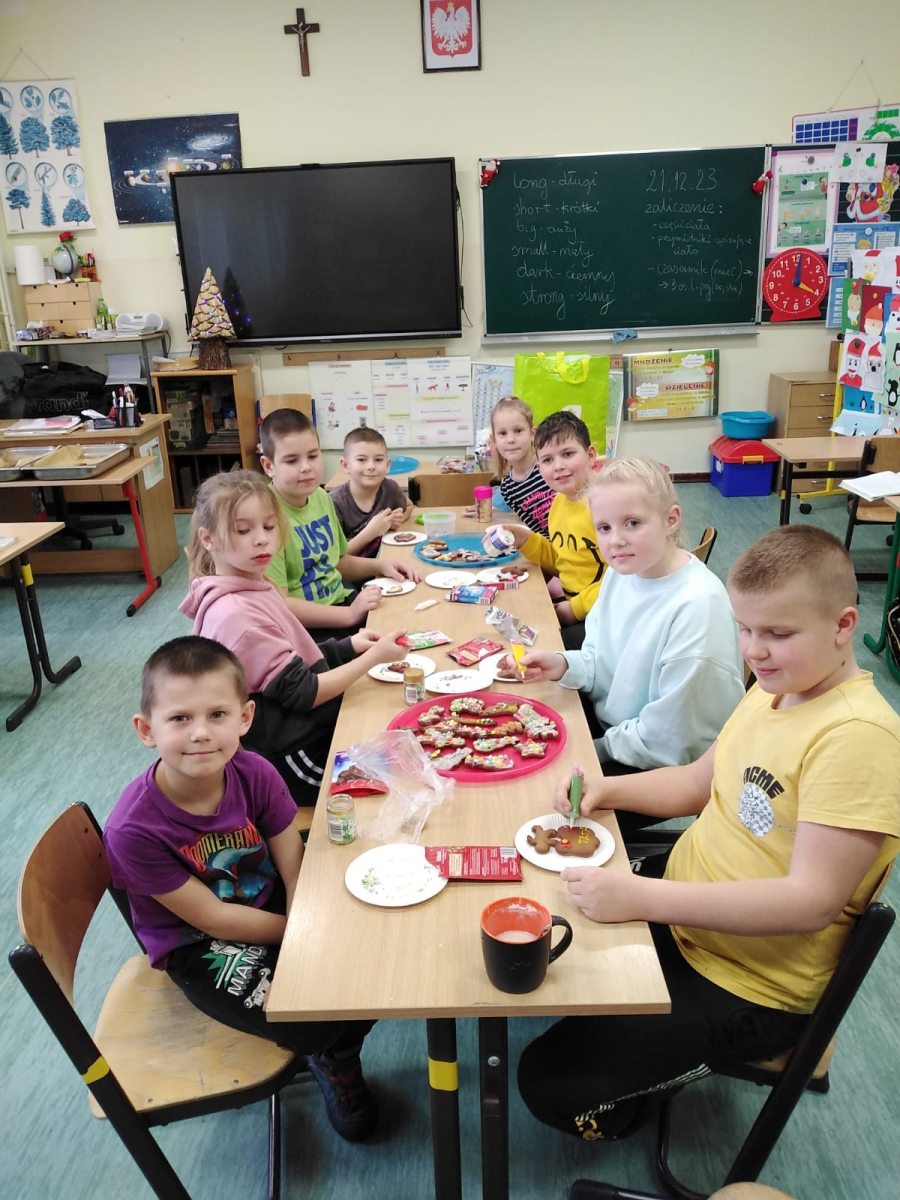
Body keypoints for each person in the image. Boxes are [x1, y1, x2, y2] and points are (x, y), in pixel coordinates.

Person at [518, 526, 900, 1142]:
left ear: (843, 624)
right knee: (542, 936)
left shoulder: (858, 738)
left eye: (778, 634)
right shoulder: (777, 690)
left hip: (749, 981)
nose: (755, 651)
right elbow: (698, 783)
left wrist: (643, 898)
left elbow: (810, 902)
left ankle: (641, 1094)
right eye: (745, 629)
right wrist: (607, 790)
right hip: (684, 904)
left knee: (545, 1083)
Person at [104, 636, 381, 1142]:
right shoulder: (132, 829)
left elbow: (291, 859)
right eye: (179, 718)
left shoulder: (256, 772)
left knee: (373, 963)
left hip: (269, 898)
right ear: (146, 729)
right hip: (198, 943)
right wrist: (302, 938)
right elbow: (213, 919)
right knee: (314, 1017)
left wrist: (309, 924)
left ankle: (336, 1049)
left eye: (217, 715)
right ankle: (331, 1055)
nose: (201, 733)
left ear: (245, 718)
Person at [509, 459, 744, 832]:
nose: (615, 540)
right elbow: (598, 656)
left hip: (661, 767)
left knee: (529, 801)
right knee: (516, 742)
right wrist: (564, 664)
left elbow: (670, 740)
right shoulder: (624, 572)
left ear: (671, 520)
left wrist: (590, 748)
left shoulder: (697, 606)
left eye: (632, 523)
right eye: (604, 527)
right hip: (620, 733)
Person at [180, 470, 405, 804]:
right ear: (208, 539)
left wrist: (348, 647)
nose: (261, 539)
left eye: (269, 527)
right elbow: (305, 692)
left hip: (303, 729)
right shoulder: (238, 614)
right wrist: (373, 658)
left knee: (399, 727)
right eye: (243, 530)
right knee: (397, 775)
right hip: (291, 758)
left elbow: (294, 657)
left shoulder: (253, 584)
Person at [259, 407, 419, 639]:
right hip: (308, 629)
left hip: (341, 602)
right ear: (268, 466)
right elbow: (281, 604)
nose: (306, 467)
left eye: (313, 456)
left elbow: (337, 561)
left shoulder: (321, 497)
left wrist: (382, 566)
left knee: (411, 616)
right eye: (292, 460)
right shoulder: (265, 518)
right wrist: (350, 615)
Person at [497, 410, 606, 645]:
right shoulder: (559, 502)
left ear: (591, 455)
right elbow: (561, 560)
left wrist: (573, 609)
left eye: (567, 454)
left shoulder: (605, 506)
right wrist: (525, 540)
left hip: (605, 613)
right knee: (511, 622)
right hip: (576, 605)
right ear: (539, 466)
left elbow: (625, 579)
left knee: (540, 644)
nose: (558, 466)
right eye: (548, 460)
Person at [331, 426, 413, 557]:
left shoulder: (390, 488)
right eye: (361, 460)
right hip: (353, 569)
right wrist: (372, 531)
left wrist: (395, 521)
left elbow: (409, 506)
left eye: (378, 460)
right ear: (346, 465)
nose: (371, 466)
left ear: (387, 465)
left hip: (385, 560)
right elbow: (334, 557)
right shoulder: (334, 503)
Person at [489, 395, 555, 536]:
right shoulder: (507, 488)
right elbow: (534, 532)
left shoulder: (548, 465)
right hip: (546, 547)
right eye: (502, 433)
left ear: (532, 434)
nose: (510, 439)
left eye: (518, 431)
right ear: (494, 440)